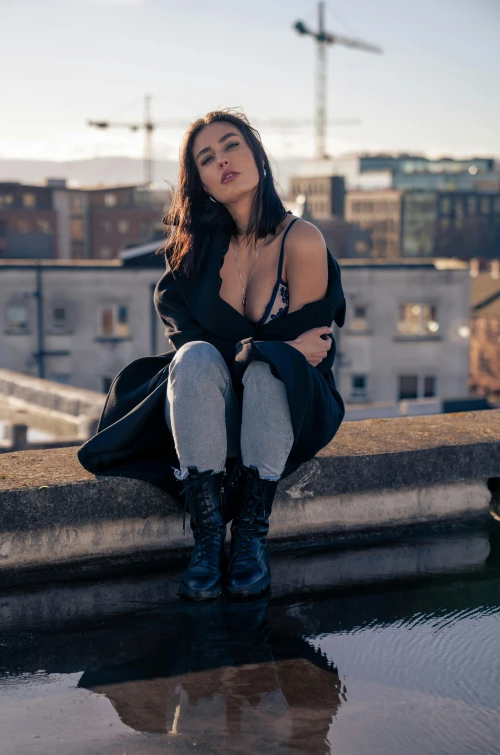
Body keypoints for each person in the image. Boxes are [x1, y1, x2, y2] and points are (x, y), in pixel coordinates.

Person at [77, 108, 346, 602]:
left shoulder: (302, 240)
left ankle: (248, 537)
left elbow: (310, 353)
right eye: (206, 158)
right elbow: (196, 346)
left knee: (271, 371)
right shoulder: (192, 252)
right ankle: (205, 538)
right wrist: (271, 347)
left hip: (290, 404)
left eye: (232, 146)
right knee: (198, 357)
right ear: (199, 181)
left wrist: (267, 353)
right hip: (212, 407)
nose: (222, 160)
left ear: (258, 158)